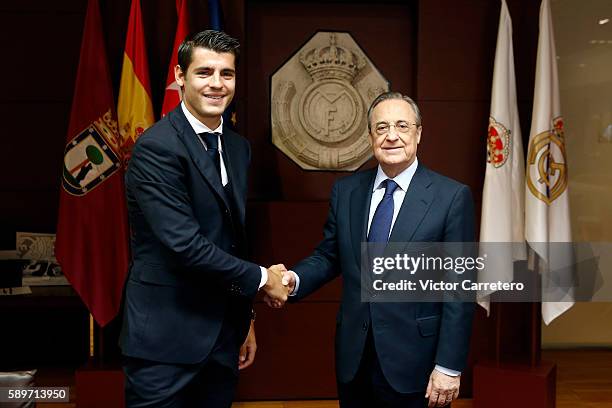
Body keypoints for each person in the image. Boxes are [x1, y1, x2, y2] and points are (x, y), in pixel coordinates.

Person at [120, 30, 288, 408]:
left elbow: (234, 240)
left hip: (222, 338)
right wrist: (264, 279)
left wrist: (246, 320)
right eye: (204, 72)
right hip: (164, 343)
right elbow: (185, 245)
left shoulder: (238, 147)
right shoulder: (156, 148)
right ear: (180, 76)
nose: (217, 84)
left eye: (226, 74)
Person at [279, 92, 475, 408]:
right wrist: (293, 280)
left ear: (418, 132)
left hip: (416, 363)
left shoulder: (451, 197)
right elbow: (330, 255)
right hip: (355, 359)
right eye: (381, 128)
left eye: (401, 126)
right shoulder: (347, 192)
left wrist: (449, 366)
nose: (391, 136)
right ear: (371, 136)